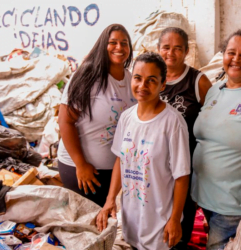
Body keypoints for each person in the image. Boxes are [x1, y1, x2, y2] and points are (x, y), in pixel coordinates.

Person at [96, 52, 190, 250]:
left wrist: (174, 220)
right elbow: (120, 161)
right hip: (131, 220)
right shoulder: (126, 118)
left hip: (159, 224)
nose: (142, 86)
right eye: (138, 78)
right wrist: (110, 200)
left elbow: (181, 176)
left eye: (151, 80)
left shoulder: (173, 122)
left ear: (162, 85)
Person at [57, 24, 137, 207]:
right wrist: (81, 164)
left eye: (124, 43)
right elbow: (65, 121)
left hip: (114, 169)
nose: (119, 47)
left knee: (104, 222)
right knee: (87, 223)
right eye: (113, 42)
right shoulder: (88, 75)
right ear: (103, 45)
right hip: (82, 169)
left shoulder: (130, 79)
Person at [157, 27, 212, 249]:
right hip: (155, 166)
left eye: (177, 48)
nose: (171, 53)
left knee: (182, 219)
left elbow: (212, 123)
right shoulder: (152, 78)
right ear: (158, 49)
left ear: (187, 51)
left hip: (185, 165)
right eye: (166, 47)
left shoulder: (197, 81)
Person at [191, 29, 241, 250]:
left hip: (231, 206)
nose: (236, 59)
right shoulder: (214, 91)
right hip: (203, 198)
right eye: (231, 52)